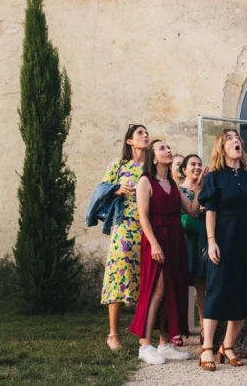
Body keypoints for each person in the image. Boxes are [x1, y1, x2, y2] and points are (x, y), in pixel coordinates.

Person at [197, 130, 247, 372]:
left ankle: (227, 346)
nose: (235, 141)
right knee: (217, 291)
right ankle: (207, 347)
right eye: (229, 139)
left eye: (237, 138)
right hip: (222, 239)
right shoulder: (215, 177)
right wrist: (212, 240)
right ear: (221, 147)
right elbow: (210, 210)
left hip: (246, 241)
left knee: (243, 293)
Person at [129, 140, 201, 364]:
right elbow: (143, 217)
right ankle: (145, 345)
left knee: (174, 288)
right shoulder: (145, 181)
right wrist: (154, 244)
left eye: (169, 147)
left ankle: (165, 344)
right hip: (156, 239)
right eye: (162, 148)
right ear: (152, 156)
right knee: (156, 290)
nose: (168, 150)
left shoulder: (172, 182)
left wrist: (199, 186)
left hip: (175, 239)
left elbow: (192, 211)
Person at [100, 124, 149, 351]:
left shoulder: (151, 167)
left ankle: (143, 333)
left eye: (146, 133)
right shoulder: (118, 165)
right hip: (124, 226)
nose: (145, 136)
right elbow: (101, 191)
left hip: (147, 228)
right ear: (129, 141)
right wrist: (117, 190)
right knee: (118, 277)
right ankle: (113, 334)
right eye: (140, 133)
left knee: (146, 278)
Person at [177, 154, 206, 346]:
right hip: (182, 238)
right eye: (192, 164)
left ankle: (205, 326)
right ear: (184, 169)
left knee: (201, 283)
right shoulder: (177, 189)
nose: (196, 167)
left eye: (199, 164)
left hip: (202, 238)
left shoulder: (206, 188)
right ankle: (177, 329)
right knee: (180, 283)